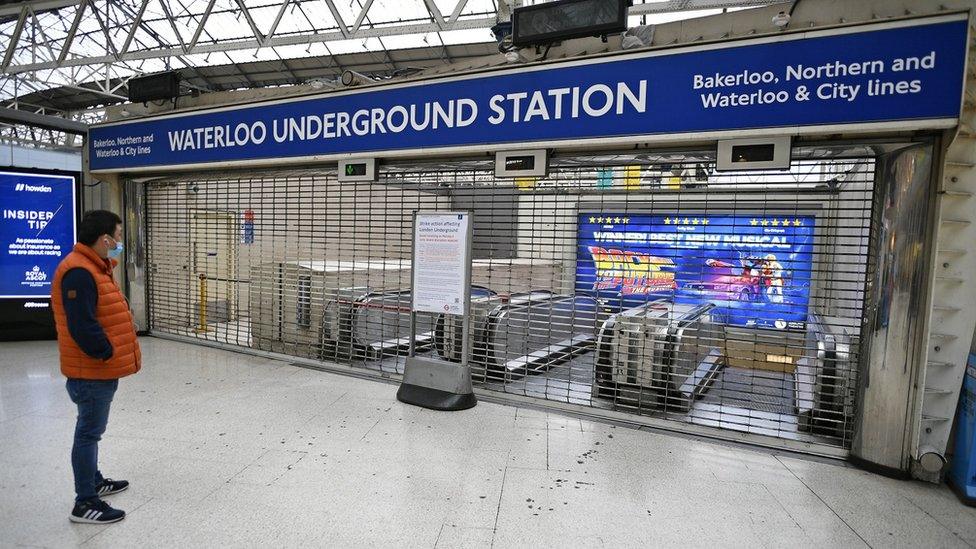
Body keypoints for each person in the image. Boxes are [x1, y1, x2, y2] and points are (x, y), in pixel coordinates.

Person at [50, 210, 141, 524]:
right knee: (88, 433)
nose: (118, 241)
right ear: (103, 238)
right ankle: (84, 502)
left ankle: (94, 481)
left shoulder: (94, 266)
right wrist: (106, 353)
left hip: (98, 370)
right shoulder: (79, 272)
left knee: (91, 430)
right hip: (91, 371)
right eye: (116, 235)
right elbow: (82, 325)